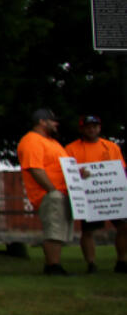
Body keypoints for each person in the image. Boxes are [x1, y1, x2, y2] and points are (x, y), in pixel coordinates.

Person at [64, 115, 127, 273]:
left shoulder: (111, 147)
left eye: (95, 126)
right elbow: (67, 171)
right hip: (89, 196)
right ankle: (91, 264)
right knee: (88, 231)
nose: (91, 129)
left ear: (99, 128)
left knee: (124, 227)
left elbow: (121, 170)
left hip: (112, 194)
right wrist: (78, 173)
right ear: (82, 129)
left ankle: (122, 261)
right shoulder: (71, 149)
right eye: (88, 126)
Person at [17, 108, 74, 276]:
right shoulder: (32, 141)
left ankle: (55, 264)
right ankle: (52, 266)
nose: (56, 124)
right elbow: (35, 168)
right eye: (53, 120)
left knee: (60, 230)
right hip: (49, 194)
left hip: (60, 193)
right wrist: (53, 190)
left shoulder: (53, 143)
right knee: (54, 230)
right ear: (42, 121)